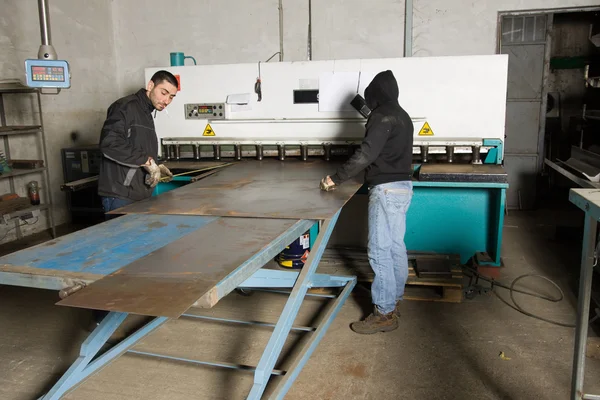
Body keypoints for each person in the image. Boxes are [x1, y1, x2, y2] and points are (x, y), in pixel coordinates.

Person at [320, 70, 414, 334]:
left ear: (376, 93)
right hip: (403, 188)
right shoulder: (403, 116)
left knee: (379, 251)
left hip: (385, 190)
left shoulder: (381, 116)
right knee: (395, 248)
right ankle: (394, 301)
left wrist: (334, 179)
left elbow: (365, 155)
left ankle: (383, 313)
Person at [98, 70, 177, 218]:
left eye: (171, 97)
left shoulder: (146, 112)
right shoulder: (125, 107)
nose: (166, 101)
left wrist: (156, 164)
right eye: (163, 92)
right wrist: (146, 161)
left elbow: (138, 146)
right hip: (120, 194)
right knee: (121, 240)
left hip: (138, 192)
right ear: (150, 85)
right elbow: (110, 143)